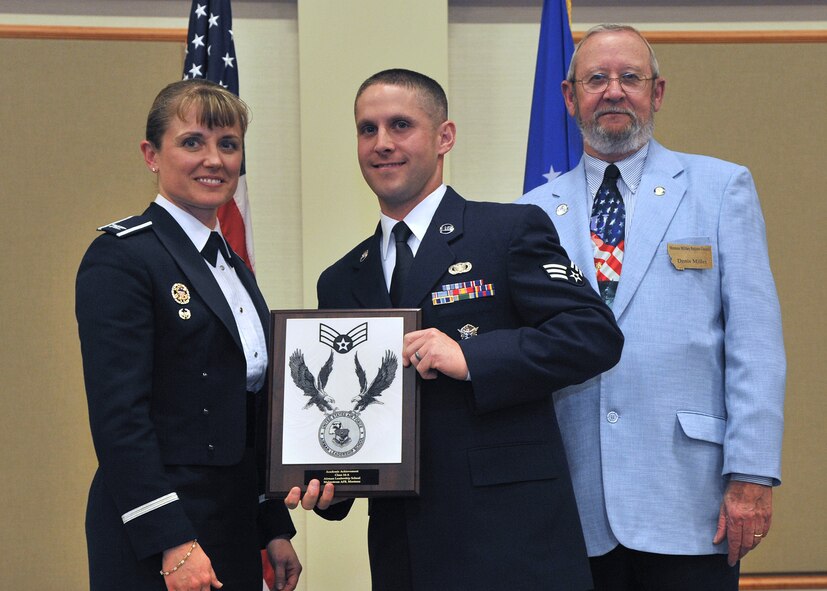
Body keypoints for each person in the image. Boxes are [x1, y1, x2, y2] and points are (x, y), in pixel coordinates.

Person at [285, 68, 624, 590]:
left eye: (400, 125)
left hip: (510, 542)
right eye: (367, 129)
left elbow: (593, 334)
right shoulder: (342, 278)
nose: (382, 144)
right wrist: (330, 482)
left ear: (445, 137)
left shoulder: (506, 230)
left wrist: (473, 357)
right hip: (404, 553)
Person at [519, 24, 786, 591]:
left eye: (629, 78)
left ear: (656, 93)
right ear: (569, 98)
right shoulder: (530, 213)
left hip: (692, 500)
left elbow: (755, 345)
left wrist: (752, 473)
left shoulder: (721, 188)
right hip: (570, 504)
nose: (613, 91)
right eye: (595, 79)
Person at [76, 78, 301, 591]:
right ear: (151, 154)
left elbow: (245, 407)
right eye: (192, 142)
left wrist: (272, 528)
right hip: (158, 527)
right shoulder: (124, 256)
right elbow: (119, 417)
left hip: (231, 521)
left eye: (228, 144)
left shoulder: (232, 267)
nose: (214, 160)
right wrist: (171, 540)